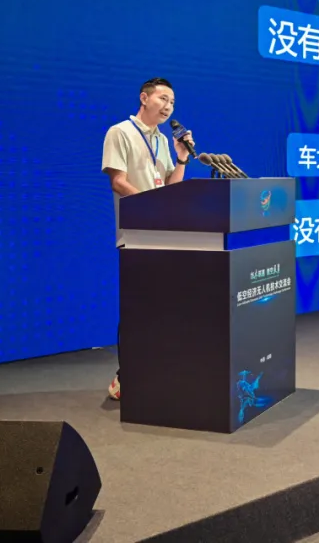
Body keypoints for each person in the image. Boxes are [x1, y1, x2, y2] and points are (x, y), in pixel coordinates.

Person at [101, 78, 195, 400]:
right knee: (137, 308)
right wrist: (150, 207)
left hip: (162, 235)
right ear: (144, 98)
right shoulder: (120, 132)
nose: (169, 107)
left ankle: (155, 369)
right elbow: (118, 181)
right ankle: (124, 376)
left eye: (173, 102)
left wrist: (181, 158)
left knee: (161, 307)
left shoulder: (163, 140)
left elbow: (171, 187)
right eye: (163, 99)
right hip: (135, 234)